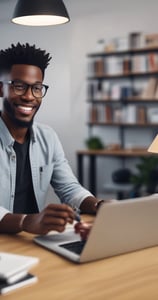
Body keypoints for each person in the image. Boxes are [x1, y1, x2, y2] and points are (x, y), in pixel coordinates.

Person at [0, 43, 104, 236]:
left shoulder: (48, 137)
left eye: (37, 88)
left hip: (32, 240)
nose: (29, 97)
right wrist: (26, 221)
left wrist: (100, 206)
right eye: (19, 86)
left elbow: (69, 188)